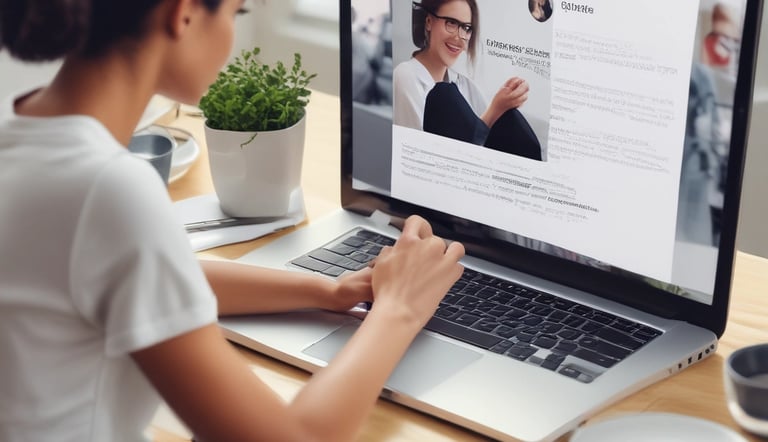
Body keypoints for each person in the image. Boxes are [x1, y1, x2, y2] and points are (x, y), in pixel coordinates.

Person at [0, 1, 465, 441]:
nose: (232, 36)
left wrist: (328, 291)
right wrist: (399, 308)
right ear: (182, 15)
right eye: (234, 12)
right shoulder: (110, 193)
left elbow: (158, 272)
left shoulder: (24, 141)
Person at [393, 0, 542, 160]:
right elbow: (424, 152)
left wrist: (509, 101)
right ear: (429, 22)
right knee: (443, 95)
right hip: (438, 172)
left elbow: (488, 140)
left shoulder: (466, 85)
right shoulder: (405, 75)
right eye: (451, 23)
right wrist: (495, 109)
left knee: (510, 119)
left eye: (466, 28)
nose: (459, 37)